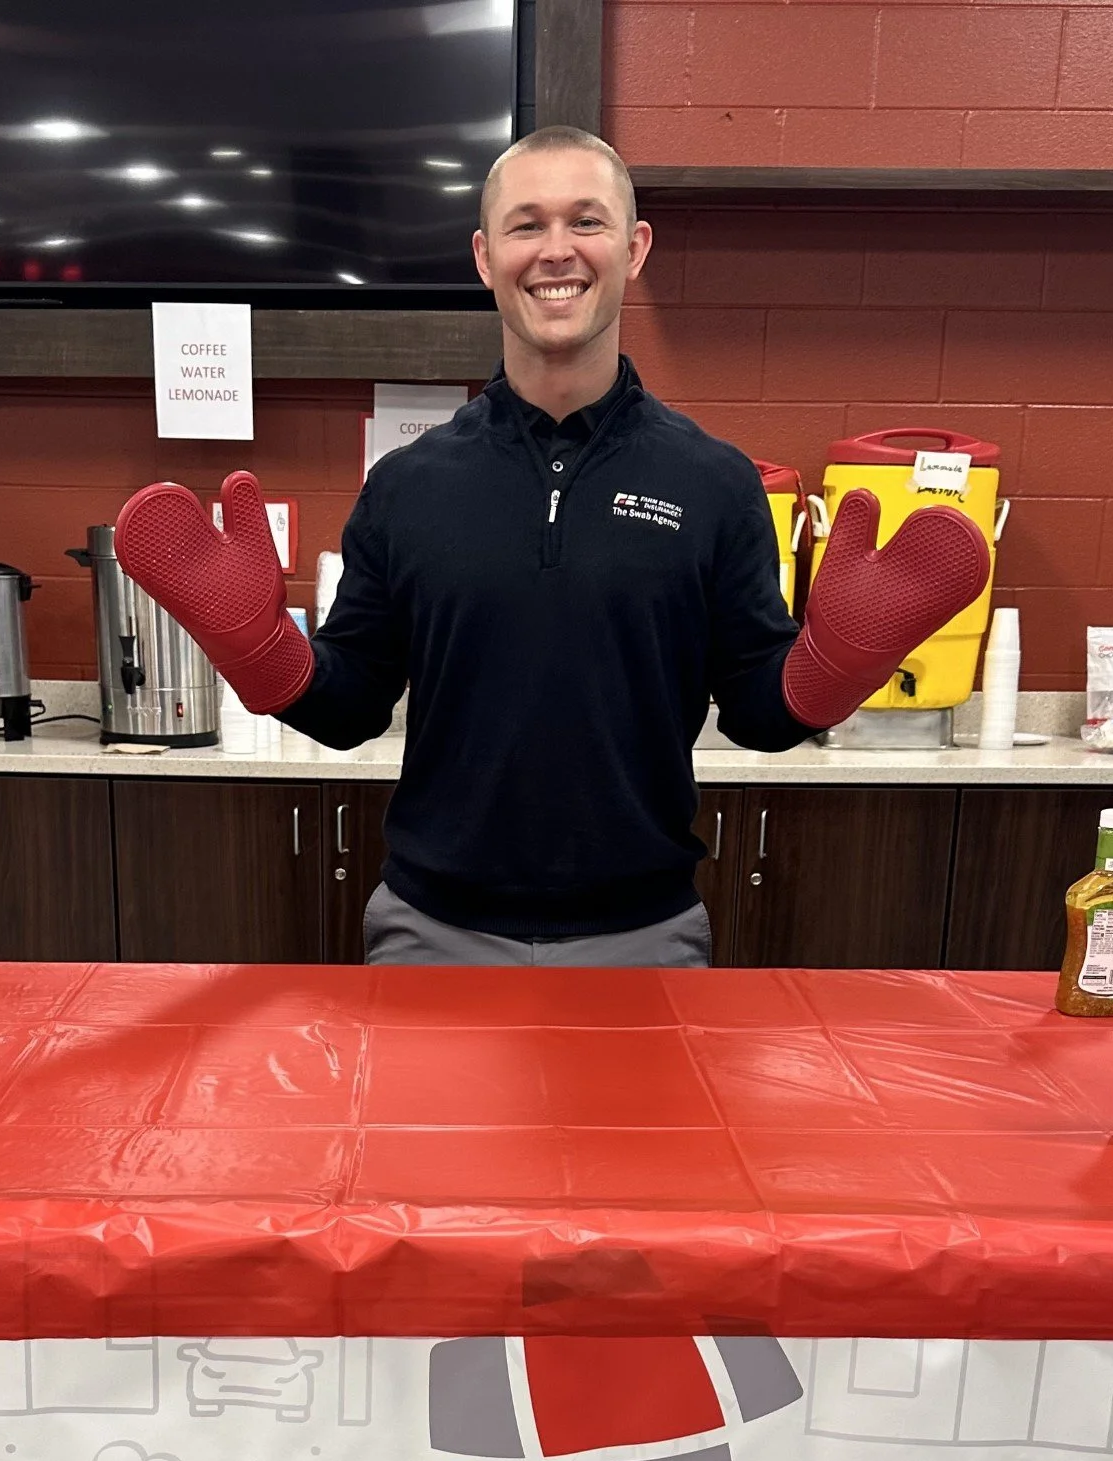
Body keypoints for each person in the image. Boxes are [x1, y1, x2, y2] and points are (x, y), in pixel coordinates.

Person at [115, 128, 990, 968]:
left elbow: (758, 715)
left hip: (644, 933)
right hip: (432, 929)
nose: (556, 249)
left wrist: (837, 663)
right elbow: (353, 711)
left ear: (635, 247)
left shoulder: (714, 482)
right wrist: (261, 654)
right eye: (526, 225)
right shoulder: (409, 485)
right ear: (485, 256)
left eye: (586, 220)